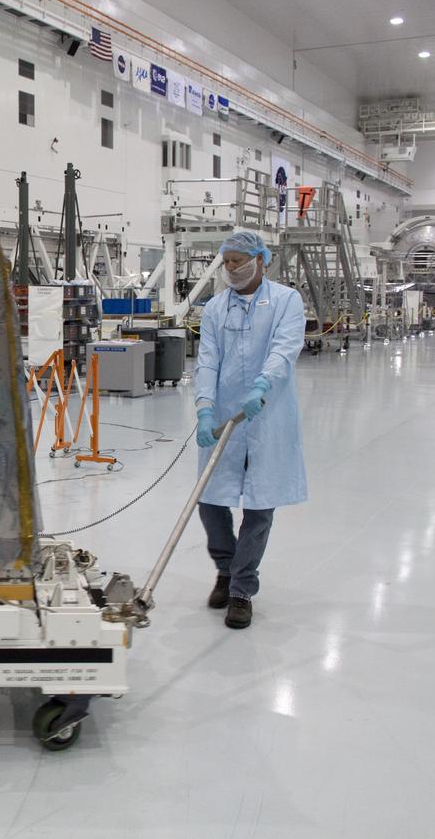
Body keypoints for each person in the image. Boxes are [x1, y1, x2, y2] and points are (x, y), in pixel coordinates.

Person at [193, 231, 307, 629]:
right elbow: (207, 360)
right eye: (226, 262)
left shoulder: (286, 301)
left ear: (260, 260)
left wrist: (263, 385)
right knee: (210, 500)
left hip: (267, 412)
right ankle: (226, 569)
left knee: (259, 507)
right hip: (224, 413)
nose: (230, 269)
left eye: (237, 261)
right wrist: (204, 408)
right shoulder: (215, 308)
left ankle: (241, 590)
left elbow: (284, 348)